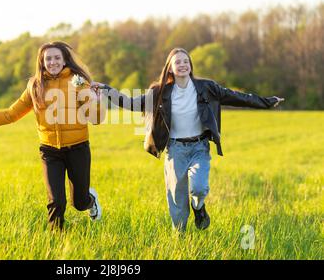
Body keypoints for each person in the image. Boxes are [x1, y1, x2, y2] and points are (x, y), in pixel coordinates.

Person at [92, 47, 284, 232]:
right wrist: (106, 89)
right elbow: (130, 103)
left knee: (199, 187)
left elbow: (236, 97)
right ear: (170, 68)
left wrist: (266, 102)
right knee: (177, 199)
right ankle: (180, 236)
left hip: (199, 147)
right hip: (175, 150)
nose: (183, 64)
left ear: (190, 65)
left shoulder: (206, 87)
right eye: (178, 62)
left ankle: (198, 207)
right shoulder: (159, 93)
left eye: (186, 61)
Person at [0, 41, 106, 231]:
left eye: (57, 58)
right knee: (56, 201)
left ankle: (90, 200)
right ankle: (57, 243)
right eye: (48, 58)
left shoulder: (77, 81)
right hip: (50, 152)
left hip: (78, 148)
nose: (52, 62)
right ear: (42, 62)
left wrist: (97, 100)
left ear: (64, 60)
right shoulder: (35, 85)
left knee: (79, 203)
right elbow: (10, 114)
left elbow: (96, 119)